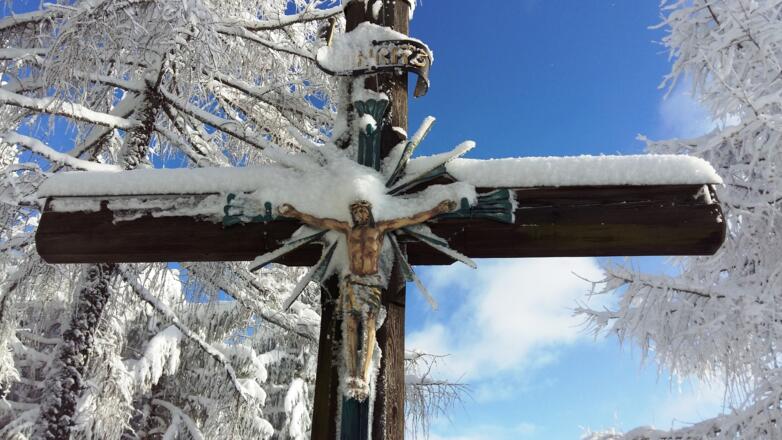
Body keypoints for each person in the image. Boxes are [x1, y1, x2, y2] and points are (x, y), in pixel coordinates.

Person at [278, 199, 456, 400]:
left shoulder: (380, 229)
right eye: (356, 212)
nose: (359, 215)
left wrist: (436, 209)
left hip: (371, 282)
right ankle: (352, 372)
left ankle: (363, 373)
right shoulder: (347, 229)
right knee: (351, 325)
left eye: (363, 211)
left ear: (369, 213)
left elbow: (411, 218)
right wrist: (295, 213)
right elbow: (320, 221)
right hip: (352, 281)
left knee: (369, 325)